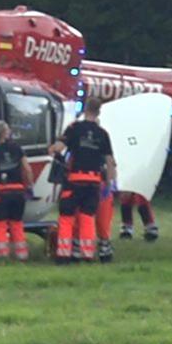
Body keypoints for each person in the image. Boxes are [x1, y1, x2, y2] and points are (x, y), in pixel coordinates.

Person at [51, 99, 115, 262]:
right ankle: (87, 254)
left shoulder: (74, 128)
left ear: (85, 109)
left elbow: (59, 148)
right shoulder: (103, 133)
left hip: (74, 179)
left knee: (66, 217)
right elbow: (109, 161)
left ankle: (63, 254)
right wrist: (109, 183)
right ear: (99, 112)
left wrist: (53, 147)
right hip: (94, 181)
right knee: (88, 217)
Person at [0, 119, 30, 261]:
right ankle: (22, 254)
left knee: (0, 224)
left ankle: (3, 255)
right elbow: (27, 170)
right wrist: (29, 186)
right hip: (18, 192)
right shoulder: (17, 148)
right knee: (17, 223)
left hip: (2, 192)